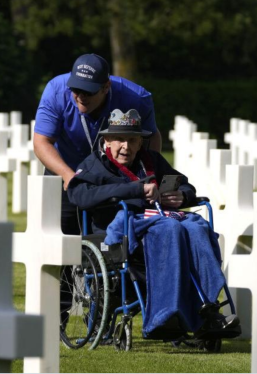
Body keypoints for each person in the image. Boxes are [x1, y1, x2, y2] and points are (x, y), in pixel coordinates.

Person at [67, 108, 240, 339]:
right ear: (106, 140)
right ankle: (165, 314)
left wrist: (182, 197)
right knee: (170, 228)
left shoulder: (151, 161)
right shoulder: (94, 165)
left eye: (132, 140)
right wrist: (136, 189)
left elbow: (185, 185)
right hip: (119, 230)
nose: (125, 147)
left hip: (158, 221)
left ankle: (208, 308)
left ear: (141, 143)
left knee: (197, 228)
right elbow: (79, 196)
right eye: (119, 140)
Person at [33, 53, 162, 235]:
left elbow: (151, 136)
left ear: (106, 87)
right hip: (66, 168)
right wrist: (69, 176)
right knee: (61, 238)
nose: (80, 96)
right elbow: (41, 142)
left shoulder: (136, 98)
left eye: (89, 91)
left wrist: (146, 176)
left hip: (116, 175)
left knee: (114, 236)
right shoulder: (55, 91)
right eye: (76, 90)